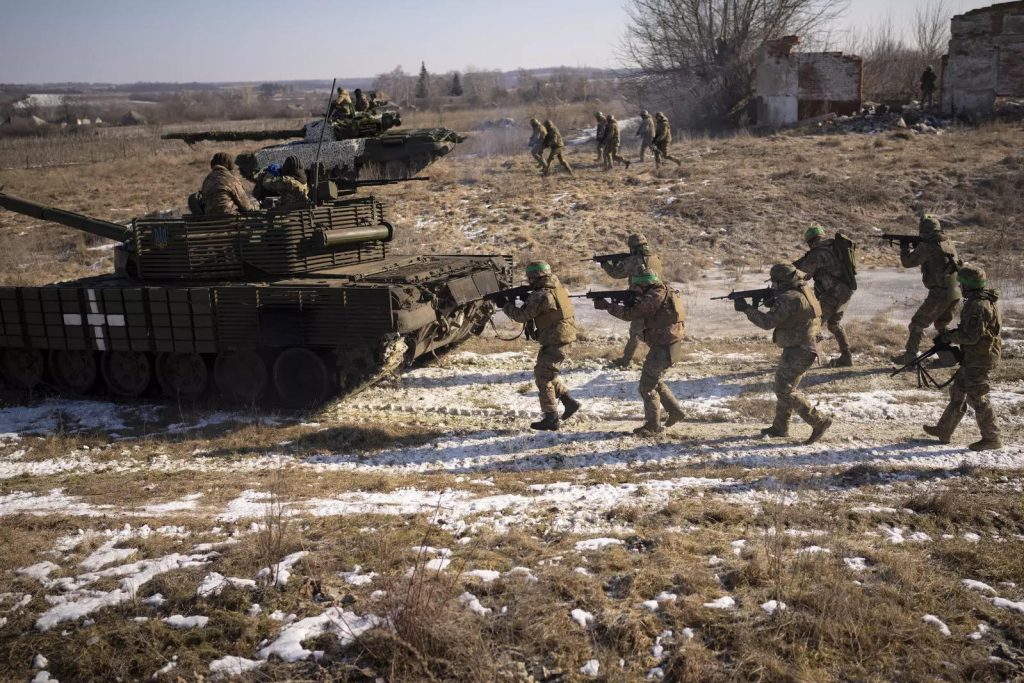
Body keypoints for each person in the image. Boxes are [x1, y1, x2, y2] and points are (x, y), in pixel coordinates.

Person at [734, 263, 833, 444]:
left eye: (775, 282)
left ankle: (819, 421)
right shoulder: (803, 290)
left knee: (784, 389)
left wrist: (747, 309)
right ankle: (780, 427)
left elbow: (767, 322)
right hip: (806, 345)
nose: (773, 285)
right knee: (784, 384)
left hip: (801, 348)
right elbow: (794, 313)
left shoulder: (788, 297)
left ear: (783, 281)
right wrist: (772, 301)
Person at [593, 270, 686, 436]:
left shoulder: (654, 296)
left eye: (637, 286)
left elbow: (630, 314)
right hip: (669, 343)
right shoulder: (665, 290)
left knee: (646, 386)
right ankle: (675, 411)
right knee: (655, 380)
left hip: (663, 347)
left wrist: (608, 306)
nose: (634, 289)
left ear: (645, 284)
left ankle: (653, 426)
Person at [923, 265, 1002, 451]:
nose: (959, 287)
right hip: (974, 357)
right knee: (958, 391)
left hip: (980, 359)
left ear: (968, 285)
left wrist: (949, 337)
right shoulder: (981, 300)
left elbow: (971, 337)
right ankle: (944, 430)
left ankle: (992, 438)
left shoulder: (977, 305)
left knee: (978, 397)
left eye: (961, 284)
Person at [502, 262, 581, 431]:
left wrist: (505, 305)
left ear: (534, 278)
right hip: (563, 337)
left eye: (530, 279)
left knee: (543, 376)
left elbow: (521, 316)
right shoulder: (559, 289)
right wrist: (527, 299)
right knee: (548, 373)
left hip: (555, 340)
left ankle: (551, 417)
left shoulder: (540, 295)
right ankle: (568, 402)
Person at [891, 215, 961, 364]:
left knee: (917, 324)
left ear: (923, 231)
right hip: (954, 291)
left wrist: (904, 248)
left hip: (939, 293)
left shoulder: (927, 246)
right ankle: (949, 358)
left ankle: (911, 355)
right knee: (941, 324)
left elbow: (907, 263)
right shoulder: (948, 242)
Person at [793, 226, 857, 367]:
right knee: (834, 324)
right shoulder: (832, 247)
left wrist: (786, 273)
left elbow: (804, 274)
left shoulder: (818, 253)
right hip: (845, 290)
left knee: (813, 323)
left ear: (810, 241)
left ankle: (803, 360)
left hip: (833, 293)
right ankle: (846, 357)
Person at [600, 233, 663, 367]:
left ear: (632, 246)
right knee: (653, 329)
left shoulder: (635, 259)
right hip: (658, 297)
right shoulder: (655, 258)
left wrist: (605, 264)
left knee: (636, 331)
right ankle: (660, 357)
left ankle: (626, 361)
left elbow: (616, 274)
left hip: (641, 299)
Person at [200, 152, 257, 216]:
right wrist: (255, 206)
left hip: (210, 218)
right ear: (229, 165)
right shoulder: (231, 179)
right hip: (229, 218)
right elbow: (245, 205)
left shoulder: (207, 180)